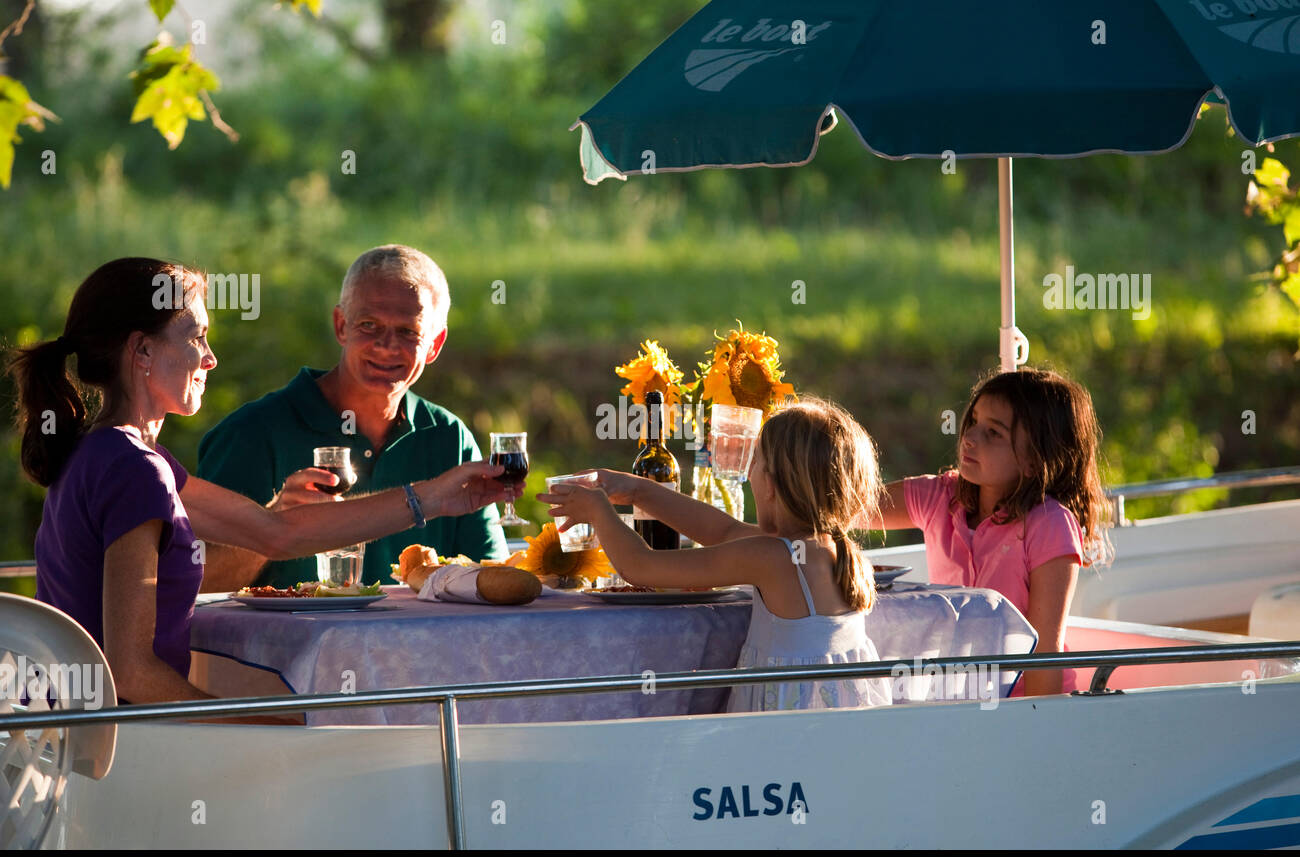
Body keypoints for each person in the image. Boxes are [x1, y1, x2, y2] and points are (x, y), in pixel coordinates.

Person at [7, 257, 508, 707]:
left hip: (69, 739)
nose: (211, 358)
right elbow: (131, 676)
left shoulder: (118, 453)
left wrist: (435, 497)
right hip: (115, 749)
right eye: (196, 336)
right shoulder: (134, 467)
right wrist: (260, 723)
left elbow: (275, 535)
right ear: (141, 352)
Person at [541, 398, 892, 712]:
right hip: (841, 729)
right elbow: (723, 531)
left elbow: (641, 567)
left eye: (754, 463)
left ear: (770, 485)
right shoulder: (832, 549)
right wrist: (638, 490)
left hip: (786, 733)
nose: (749, 473)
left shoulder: (772, 557)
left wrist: (600, 513)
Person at [196, 244, 508, 591]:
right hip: (290, 646)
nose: (387, 345)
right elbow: (197, 584)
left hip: (421, 645)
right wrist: (272, 526)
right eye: (369, 325)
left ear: (434, 344)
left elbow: (488, 578)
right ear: (341, 325)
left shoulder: (450, 437)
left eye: (408, 331)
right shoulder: (250, 434)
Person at [875, 368, 1113, 696]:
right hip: (953, 696)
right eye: (972, 422)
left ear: (1034, 460)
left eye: (994, 433)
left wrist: (1039, 725)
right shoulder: (940, 497)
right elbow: (848, 504)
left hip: (1022, 704)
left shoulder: (1049, 524)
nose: (970, 437)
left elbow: (1046, 648)